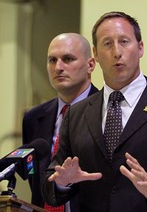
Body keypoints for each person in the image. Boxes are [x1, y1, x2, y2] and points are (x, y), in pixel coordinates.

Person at [41, 12, 147, 212]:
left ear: (140, 48)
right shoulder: (76, 114)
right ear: (95, 55)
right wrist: (62, 182)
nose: (117, 52)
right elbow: (50, 183)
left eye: (124, 41)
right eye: (107, 44)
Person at [22, 33, 99, 209]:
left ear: (90, 65)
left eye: (68, 59)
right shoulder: (33, 118)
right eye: (52, 60)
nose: (58, 67)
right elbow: (34, 180)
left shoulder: (107, 111)